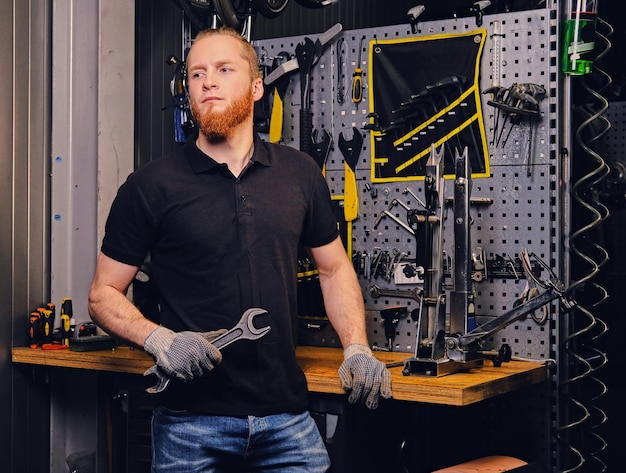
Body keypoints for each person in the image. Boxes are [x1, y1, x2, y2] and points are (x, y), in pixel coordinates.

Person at [88, 26, 392, 472]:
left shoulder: (300, 174)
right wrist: (159, 339)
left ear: (255, 88)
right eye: (196, 74)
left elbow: (333, 269)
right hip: (189, 425)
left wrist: (357, 348)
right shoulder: (150, 186)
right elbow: (102, 295)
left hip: (288, 419)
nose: (207, 81)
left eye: (222, 69)